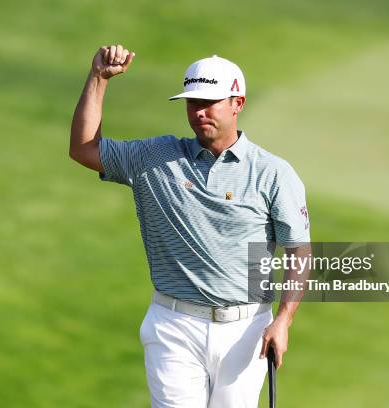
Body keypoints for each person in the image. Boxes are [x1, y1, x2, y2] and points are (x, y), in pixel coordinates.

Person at [70, 44, 312, 408]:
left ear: (237, 103)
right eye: (192, 102)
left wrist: (284, 320)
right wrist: (98, 79)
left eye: (210, 102)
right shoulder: (154, 158)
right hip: (173, 324)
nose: (199, 112)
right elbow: (84, 149)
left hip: (246, 329)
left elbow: (299, 250)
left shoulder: (272, 173)